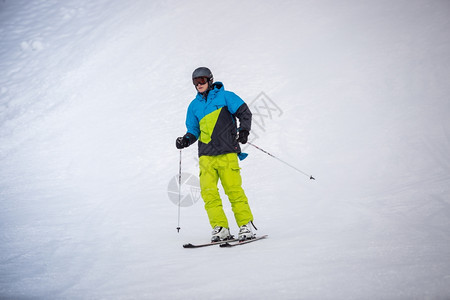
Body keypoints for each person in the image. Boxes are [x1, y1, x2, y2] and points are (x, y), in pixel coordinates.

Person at [176, 67, 256, 242]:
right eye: (195, 82)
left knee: (233, 190)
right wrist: (186, 140)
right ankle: (220, 228)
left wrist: (243, 131)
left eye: (202, 80)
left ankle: (246, 225)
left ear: (210, 80)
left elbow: (244, 112)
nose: (199, 84)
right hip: (206, 156)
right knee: (208, 192)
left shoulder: (226, 96)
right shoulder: (194, 106)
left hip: (227, 152)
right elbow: (193, 130)